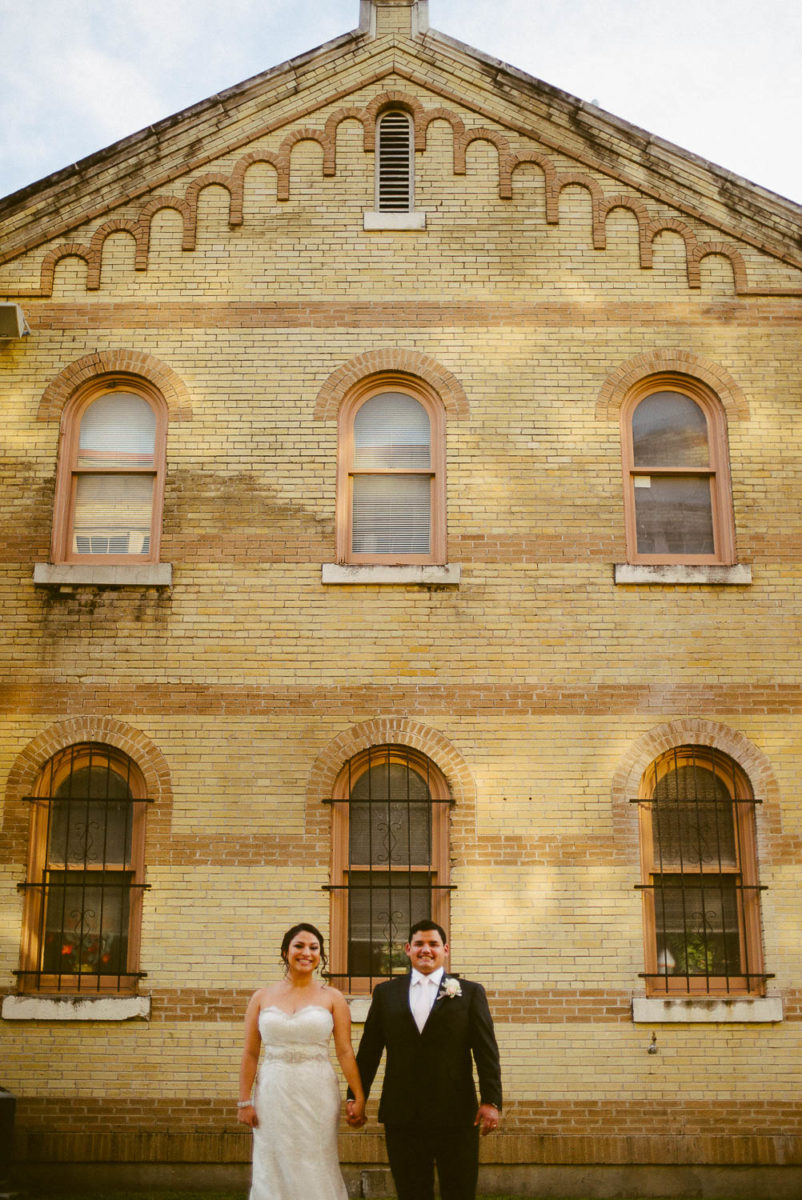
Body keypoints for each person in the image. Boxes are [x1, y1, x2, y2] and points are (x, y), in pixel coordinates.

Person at [346, 919, 502, 1200]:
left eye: (433, 944)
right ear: (408, 949)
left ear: (445, 949)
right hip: (403, 1113)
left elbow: (486, 1051)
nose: (425, 950)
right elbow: (369, 1051)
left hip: (456, 1113)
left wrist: (491, 1101)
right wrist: (356, 1097)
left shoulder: (470, 992)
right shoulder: (386, 993)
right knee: (411, 1192)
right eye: (419, 944)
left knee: (460, 1191)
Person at [237, 922, 365, 1200]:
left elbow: (345, 1051)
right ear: (285, 952)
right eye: (299, 946)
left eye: (314, 948)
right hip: (273, 1090)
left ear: (320, 955)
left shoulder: (333, 997)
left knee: (315, 1159)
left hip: (317, 1089)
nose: (306, 952)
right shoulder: (261, 997)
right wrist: (244, 1101)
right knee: (272, 1157)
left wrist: (358, 1095)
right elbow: (250, 1053)